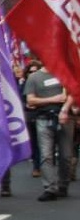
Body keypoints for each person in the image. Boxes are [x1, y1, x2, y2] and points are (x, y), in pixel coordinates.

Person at [24, 63, 74, 201]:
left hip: (65, 118)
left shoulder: (64, 73)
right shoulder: (34, 77)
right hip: (43, 118)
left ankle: (63, 184)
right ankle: (50, 188)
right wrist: (53, 99)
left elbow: (74, 92)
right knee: (46, 155)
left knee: (66, 156)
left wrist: (65, 109)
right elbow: (30, 100)